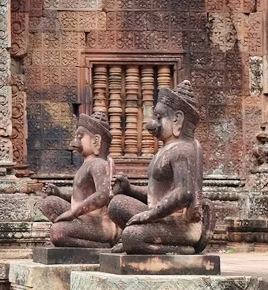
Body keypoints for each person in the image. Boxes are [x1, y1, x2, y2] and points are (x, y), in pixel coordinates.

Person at [108, 81, 211, 254]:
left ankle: (184, 249)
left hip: (181, 225)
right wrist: (129, 189)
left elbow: (184, 193)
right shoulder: (165, 150)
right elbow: (156, 194)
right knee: (116, 204)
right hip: (163, 218)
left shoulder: (182, 150)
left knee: (131, 236)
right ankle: (137, 241)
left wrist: (148, 215)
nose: (152, 123)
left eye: (158, 117)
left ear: (177, 119)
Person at [41, 110, 118, 248]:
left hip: (98, 224)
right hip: (84, 218)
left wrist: (73, 213)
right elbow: (83, 197)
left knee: (57, 231)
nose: (76, 140)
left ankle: (100, 245)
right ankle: (69, 235)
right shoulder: (88, 163)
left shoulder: (98, 164)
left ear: (96, 140)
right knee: (49, 203)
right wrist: (59, 193)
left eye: (81, 136)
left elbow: (103, 195)